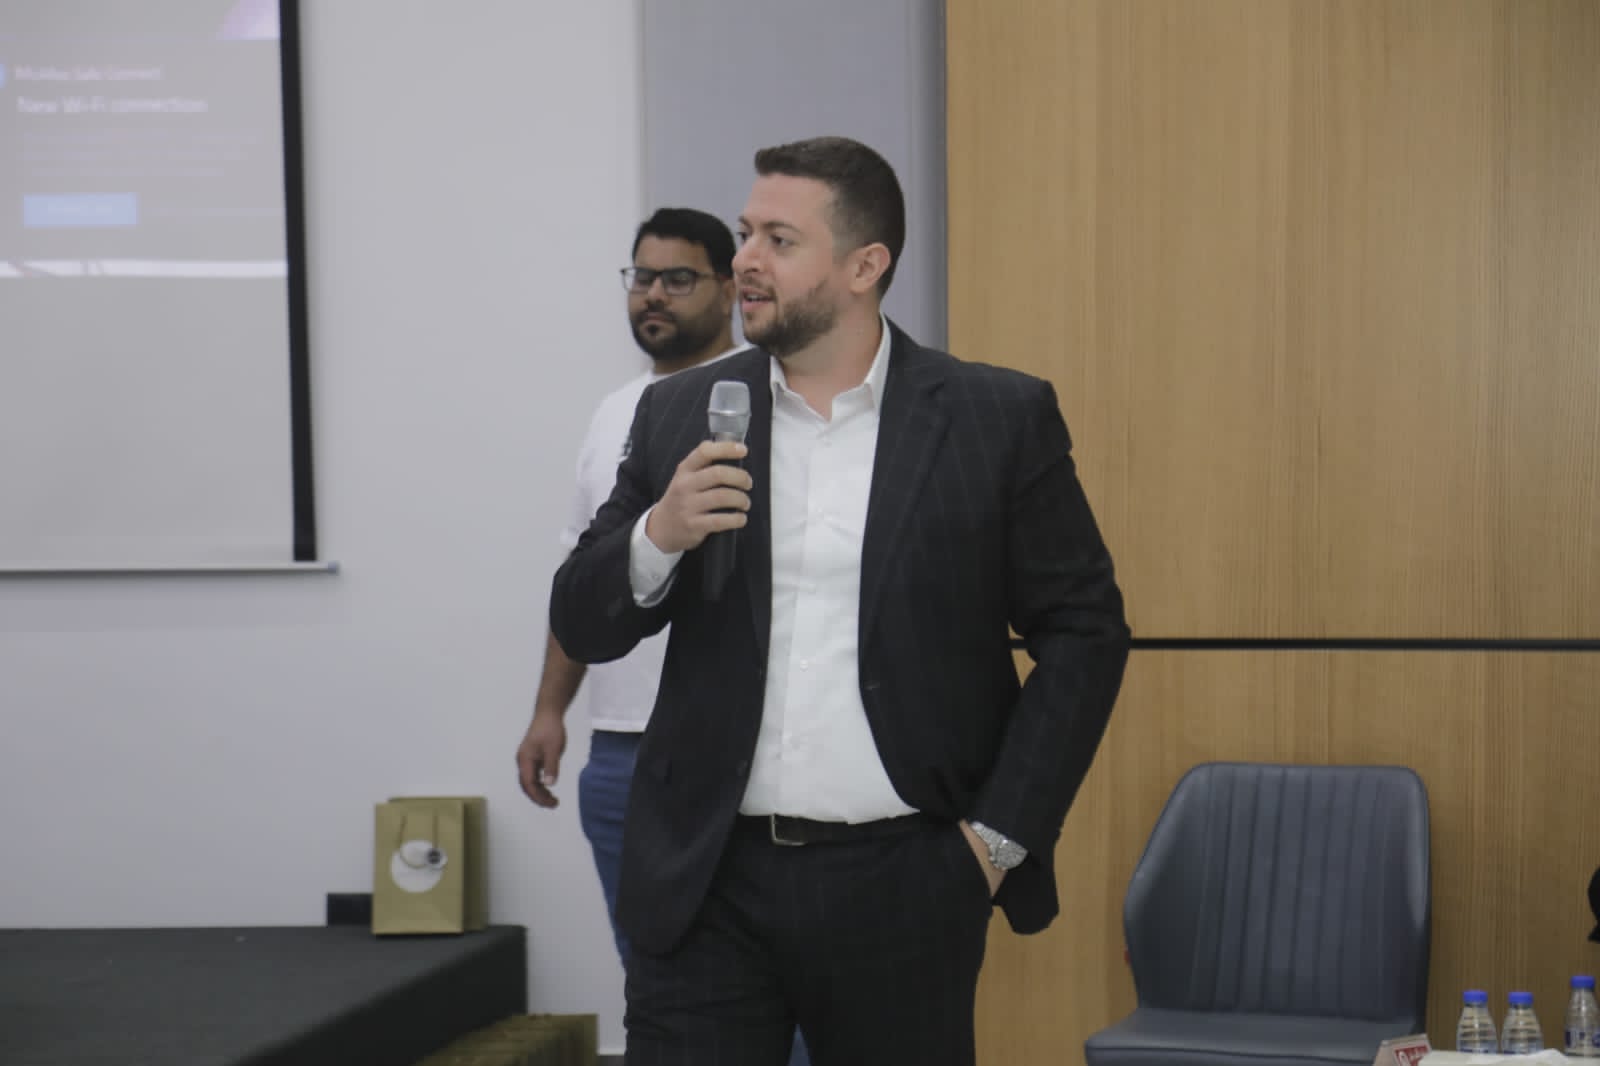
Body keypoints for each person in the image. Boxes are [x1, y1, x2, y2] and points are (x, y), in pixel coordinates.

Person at [550, 136, 1130, 1066]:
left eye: (778, 240)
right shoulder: (677, 413)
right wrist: (659, 532)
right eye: (745, 233)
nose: (744, 259)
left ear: (866, 266)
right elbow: (580, 616)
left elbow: (1085, 634)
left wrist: (993, 842)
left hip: (908, 881)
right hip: (706, 883)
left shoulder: (993, 418)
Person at [516, 206, 738, 962]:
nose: (654, 295)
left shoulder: (758, 400)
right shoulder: (614, 411)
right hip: (618, 750)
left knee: (757, 988)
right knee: (651, 979)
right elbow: (581, 575)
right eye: (643, 277)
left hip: (722, 745)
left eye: (678, 279)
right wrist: (550, 710)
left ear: (730, 289)